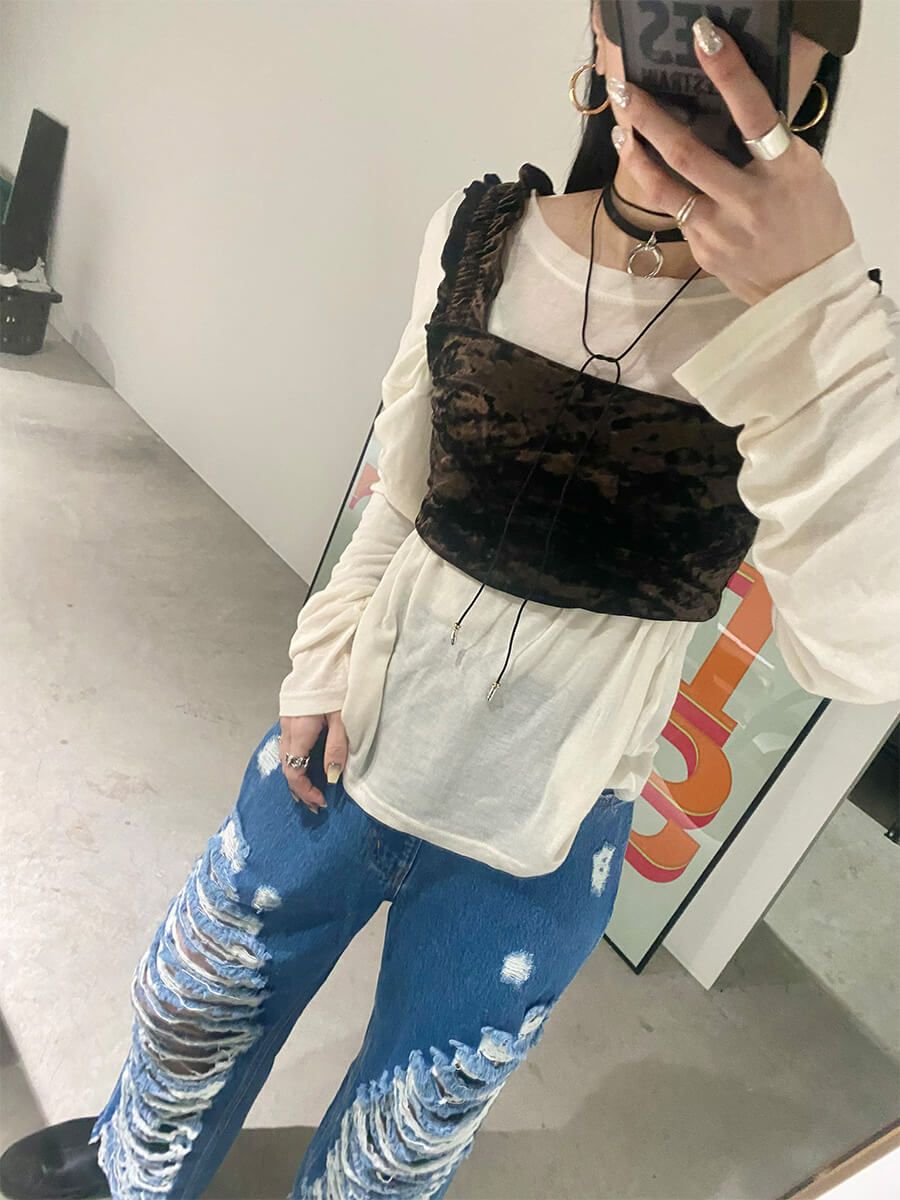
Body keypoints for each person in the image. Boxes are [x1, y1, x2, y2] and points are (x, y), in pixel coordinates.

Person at [3, 2, 898, 1198]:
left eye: (751, 21)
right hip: (357, 736)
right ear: (600, 30)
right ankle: (137, 1171)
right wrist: (320, 662)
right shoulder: (482, 237)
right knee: (193, 1002)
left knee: (401, 1138)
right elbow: (403, 486)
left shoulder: (835, 347)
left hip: (545, 825)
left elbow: (864, 652)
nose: (702, 48)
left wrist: (815, 312)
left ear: (814, 72)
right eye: (662, 9)